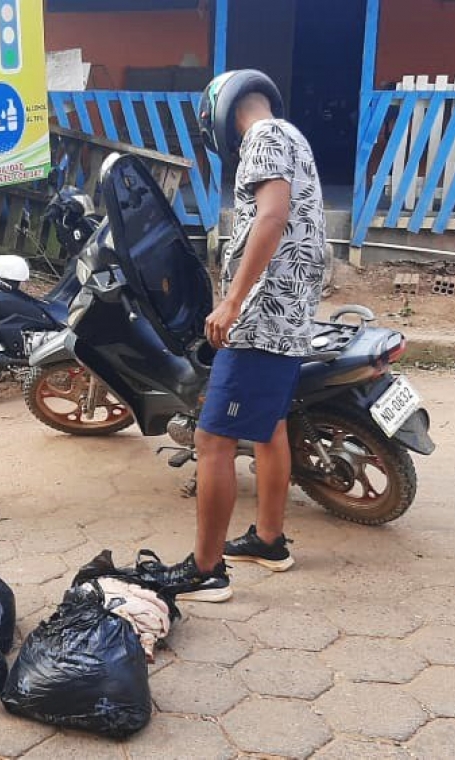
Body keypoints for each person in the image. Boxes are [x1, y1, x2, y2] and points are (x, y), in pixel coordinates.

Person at [159, 70, 327, 602]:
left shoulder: (263, 138)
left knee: (213, 440)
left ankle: (206, 570)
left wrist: (232, 302)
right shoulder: (292, 135)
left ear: (221, 118)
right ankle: (268, 540)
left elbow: (272, 217)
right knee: (269, 426)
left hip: (260, 318)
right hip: (288, 314)